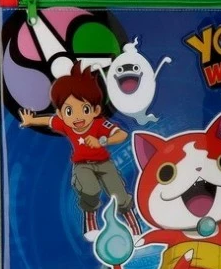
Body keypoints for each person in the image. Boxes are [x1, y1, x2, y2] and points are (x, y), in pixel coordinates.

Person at [19, 62, 140, 241]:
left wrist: (102, 141)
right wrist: (31, 121)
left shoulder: (100, 124)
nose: (77, 117)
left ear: (95, 110)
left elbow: (121, 134)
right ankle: (90, 225)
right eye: (69, 111)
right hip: (82, 165)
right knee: (89, 190)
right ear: (61, 114)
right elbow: (48, 121)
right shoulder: (65, 125)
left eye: (85, 109)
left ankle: (134, 229)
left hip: (104, 163)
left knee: (119, 194)